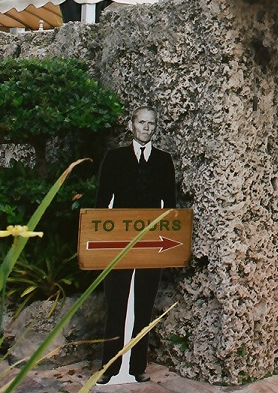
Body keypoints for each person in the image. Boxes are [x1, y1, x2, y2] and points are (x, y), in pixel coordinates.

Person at [95, 106, 176, 384]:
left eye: (151, 124)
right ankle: (109, 367)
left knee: (144, 304)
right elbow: (101, 203)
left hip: (151, 244)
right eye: (141, 122)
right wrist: (103, 243)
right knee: (115, 304)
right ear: (132, 125)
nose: (146, 128)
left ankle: (137, 366)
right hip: (119, 242)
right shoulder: (115, 158)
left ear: (155, 128)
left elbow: (171, 207)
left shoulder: (164, 161)